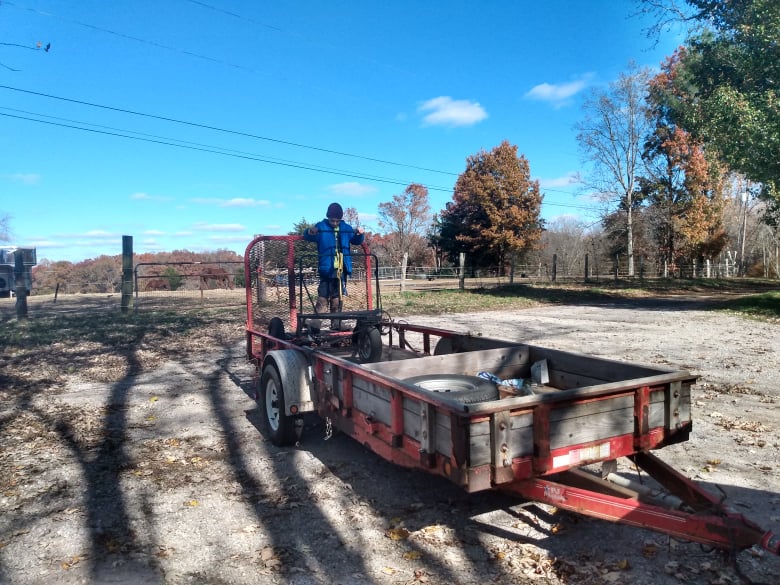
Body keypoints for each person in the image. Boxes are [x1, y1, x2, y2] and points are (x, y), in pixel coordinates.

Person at [303, 202, 364, 332]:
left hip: (341, 269)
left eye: (337, 221)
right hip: (327, 268)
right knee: (323, 296)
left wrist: (360, 234)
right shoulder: (321, 226)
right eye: (332, 220)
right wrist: (310, 231)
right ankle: (315, 325)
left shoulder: (346, 228)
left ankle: (336, 323)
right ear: (328, 217)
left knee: (338, 297)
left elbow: (356, 240)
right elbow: (307, 235)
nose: (335, 223)